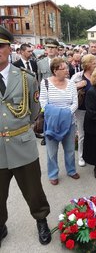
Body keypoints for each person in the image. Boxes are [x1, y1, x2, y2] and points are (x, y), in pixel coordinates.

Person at [0, 26, 51, 246]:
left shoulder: (26, 78)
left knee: (33, 190)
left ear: (9, 48)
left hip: (22, 143)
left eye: (0, 46)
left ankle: (41, 220)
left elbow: (33, 109)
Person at [39, 57, 79, 185]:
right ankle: (53, 174)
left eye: (67, 68)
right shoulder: (45, 83)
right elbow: (43, 103)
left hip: (69, 122)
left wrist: (65, 114)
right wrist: (60, 114)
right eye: (63, 68)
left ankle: (71, 170)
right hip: (52, 124)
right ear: (55, 70)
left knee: (70, 149)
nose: (67, 71)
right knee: (52, 152)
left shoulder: (71, 83)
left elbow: (75, 103)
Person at [71, 54, 96, 167]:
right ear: (87, 65)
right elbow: (68, 89)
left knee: (93, 133)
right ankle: (81, 156)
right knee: (82, 134)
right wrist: (78, 85)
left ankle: (91, 153)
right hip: (81, 110)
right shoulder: (78, 76)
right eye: (94, 63)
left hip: (94, 110)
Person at [37, 38, 59, 145]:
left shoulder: (61, 62)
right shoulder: (40, 63)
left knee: (59, 114)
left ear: (57, 49)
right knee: (46, 115)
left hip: (59, 93)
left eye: (52, 48)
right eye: (48, 47)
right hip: (46, 94)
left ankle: (59, 133)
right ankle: (46, 135)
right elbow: (39, 79)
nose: (50, 50)